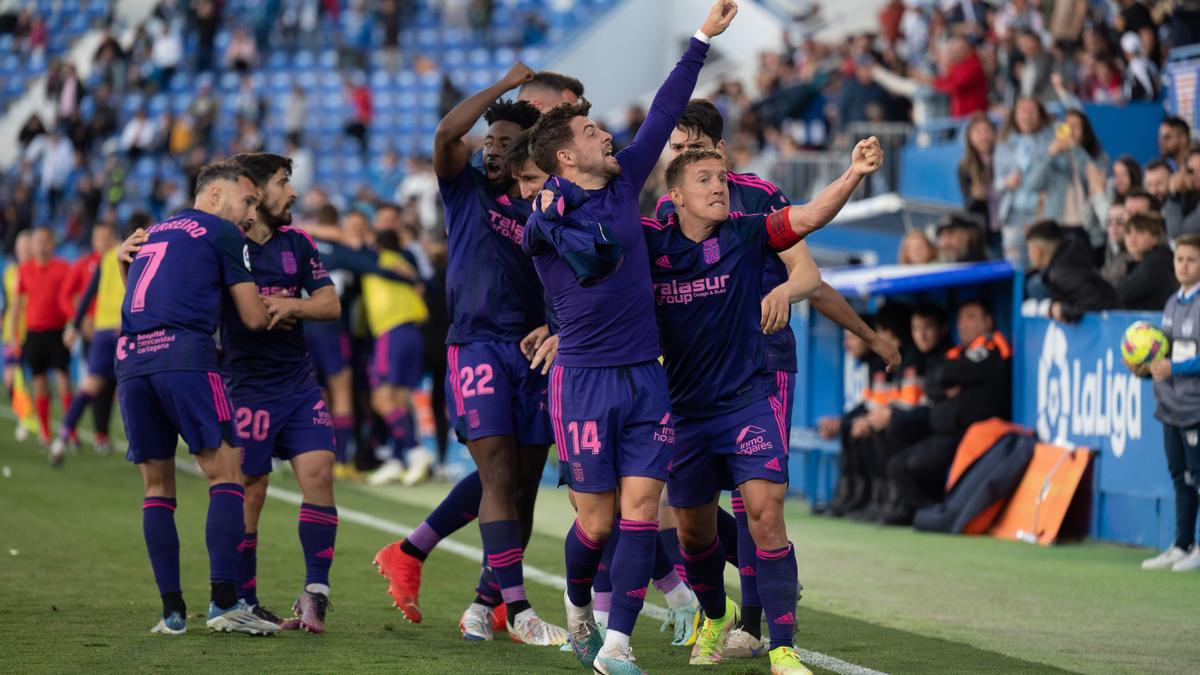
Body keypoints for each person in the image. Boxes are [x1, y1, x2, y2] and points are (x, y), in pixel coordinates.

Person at [524, 3, 737, 672]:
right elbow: (542, 239)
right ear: (566, 154)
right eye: (592, 130)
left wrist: (702, 38)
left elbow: (667, 111)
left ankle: (616, 645)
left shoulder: (622, 185)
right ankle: (578, 602)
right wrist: (552, 206)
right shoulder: (544, 218)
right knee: (596, 522)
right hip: (583, 380)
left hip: (647, 372)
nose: (606, 135)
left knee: (644, 508)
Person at [654, 97, 899, 658]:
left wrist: (790, 294)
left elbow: (808, 265)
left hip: (761, 364)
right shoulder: (663, 224)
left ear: (715, 147)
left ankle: (762, 628)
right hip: (691, 386)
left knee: (760, 504)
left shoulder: (753, 207)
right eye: (675, 149)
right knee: (688, 519)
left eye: (690, 145)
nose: (682, 154)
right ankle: (738, 599)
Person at [376, 66, 566, 646]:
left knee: (526, 484)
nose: (492, 150)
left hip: (533, 352)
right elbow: (443, 136)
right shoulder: (465, 190)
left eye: (505, 144)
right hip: (477, 346)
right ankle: (520, 608)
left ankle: (483, 605)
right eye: (489, 141)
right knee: (498, 474)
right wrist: (504, 88)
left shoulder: (546, 208)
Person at [115, 160, 278, 636]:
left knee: (157, 487)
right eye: (247, 200)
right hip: (185, 356)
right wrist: (289, 307)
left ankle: (170, 613)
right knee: (228, 473)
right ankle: (225, 602)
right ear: (213, 196)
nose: (252, 212)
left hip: (132, 359)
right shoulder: (222, 233)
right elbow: (251, 317)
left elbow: (143, 292)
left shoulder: (156, 231)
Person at [224, 152, 341, 633]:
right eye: (282, 182)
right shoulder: (226, 244)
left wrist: (287, 303)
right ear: (256, 191)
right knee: (252, 492)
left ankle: (315, 592)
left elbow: (329, 303)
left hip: (296, 384)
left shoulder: (298, 243)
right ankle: (245, 601)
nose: (291, 192)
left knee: (320, 471)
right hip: (245, 387)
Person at [879, 300, 1011, 525]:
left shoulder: (992, 346)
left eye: (971, 317)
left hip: (970, 435)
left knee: (909, 463)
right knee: (897, 463)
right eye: (961, 318)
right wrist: (949, 385)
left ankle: (927, 513)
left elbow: (953, 372)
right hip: (943, 432)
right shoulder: (959, 351)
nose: (964, 324)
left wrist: (951, 382)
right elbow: (935, 380)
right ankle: (919, 510)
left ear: (988, 321)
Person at [1138, 234, 1200, 573]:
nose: (1184, 265)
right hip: (1170, 407)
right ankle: (1181, 543)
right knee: (1180, 477)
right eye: (1180, 259)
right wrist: (1144, 367)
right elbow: (1163, 352)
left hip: (1195, 407)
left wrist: (1174, 367)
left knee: (1198, 476)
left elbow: (1181, 359)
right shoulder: (1172, 303)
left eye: (1191, 259)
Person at [53, 221, 127, 457]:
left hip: (109, 330)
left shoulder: (111, 256)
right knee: (99, 386)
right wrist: (74, 326)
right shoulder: (118, 255)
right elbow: (88, 295)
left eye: (104, 238)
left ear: (113, 236)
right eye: (96, 239)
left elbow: (89, 294)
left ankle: (63, 436)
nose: (100, 243)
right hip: (114, 331)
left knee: (93, 387)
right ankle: (65, 433)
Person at [6, 227, 72, 454]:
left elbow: (71, 297)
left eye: (45, 241)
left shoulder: (64, 268)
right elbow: (16, 306)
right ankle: (45, 432)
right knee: (39, 382)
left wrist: (73, 324)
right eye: (37, 242)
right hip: (34, 333)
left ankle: (68, 430)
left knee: (64, 379)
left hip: (57, 331)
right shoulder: (23, 271)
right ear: (32, 246)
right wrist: (15, 335)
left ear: (52, 243)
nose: (41, 246)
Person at [994, 97, 1056, 261]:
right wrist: (1007, 181)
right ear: (1014, 115)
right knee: (1015, 265)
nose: (1027, 115)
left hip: (1041, 212)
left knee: (1042, 262)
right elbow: (997, 182)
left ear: (1040, 114)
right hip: (1013, 213)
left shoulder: (1051, 139)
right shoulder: (1004, 143)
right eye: (1023, 111)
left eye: (1031, 110)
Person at [1026, 220, 1119, 322]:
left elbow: (1093, 302)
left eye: (1029, 249)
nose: (1029, 255)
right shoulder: (1070, 257)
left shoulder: (1062, 273)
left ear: (1038, 251)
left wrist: (1063, 310)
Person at [2, 231, 38, 441]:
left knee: (33, 377)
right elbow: (8, 300)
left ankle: (33, 417)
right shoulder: (9, 271)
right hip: (12, 332)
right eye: (20, 246)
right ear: (16, 249)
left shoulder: (35, 270)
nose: (23, 250)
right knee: (10, 378)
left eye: (27, 246)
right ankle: (23, 416)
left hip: (32, 330)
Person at [1117, 213, 1178, 310]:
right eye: (1128, 233)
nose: (1132, 239)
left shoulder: (1156, 263)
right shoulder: (1146, 262)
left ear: (1155, 238)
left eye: (1139, 232)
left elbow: (1123, 293)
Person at [957, 113, 995, 230]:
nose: (983, 136)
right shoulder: (964, 167)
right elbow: (968, 205)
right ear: (970, 138)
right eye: (978, 132)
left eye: (987, 131)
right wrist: (975, 197)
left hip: (1009, 221)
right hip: (986, 228)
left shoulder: (1005, 158)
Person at [1164, 145, 1200, 240]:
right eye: (1191, 171)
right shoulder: (1185, 195)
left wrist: (1174, 197)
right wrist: (1175, 194)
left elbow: (1177, 232)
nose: (1196, 176)